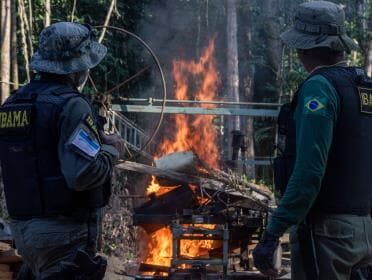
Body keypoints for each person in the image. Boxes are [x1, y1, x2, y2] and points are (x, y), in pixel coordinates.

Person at [253, 1, 372, 279]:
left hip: (328, 235)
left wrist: (273, 232)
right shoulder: (364, 87)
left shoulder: (319, 87)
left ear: (303, 48)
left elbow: (309, 172)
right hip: (364, 232)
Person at [0, 22, 126, 279]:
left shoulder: (13, 103)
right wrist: (112, 152)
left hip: (23, 231)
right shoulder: (72, 106)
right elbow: (82, 174)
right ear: (76, 67)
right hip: (62, 235)